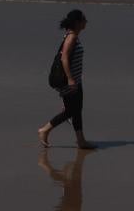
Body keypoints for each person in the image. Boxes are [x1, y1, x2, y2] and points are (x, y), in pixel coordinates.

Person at [37, 9, 95, 150]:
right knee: (70, 111)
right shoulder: (72, 37)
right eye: (84, 19)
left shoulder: (72, 35)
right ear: (77, 22)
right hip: (71, 81)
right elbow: (64, 59)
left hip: (75, 80)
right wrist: (70, 79)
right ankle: (45, 129)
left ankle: (81, 140)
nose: (86, 21)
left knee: (77, 110)